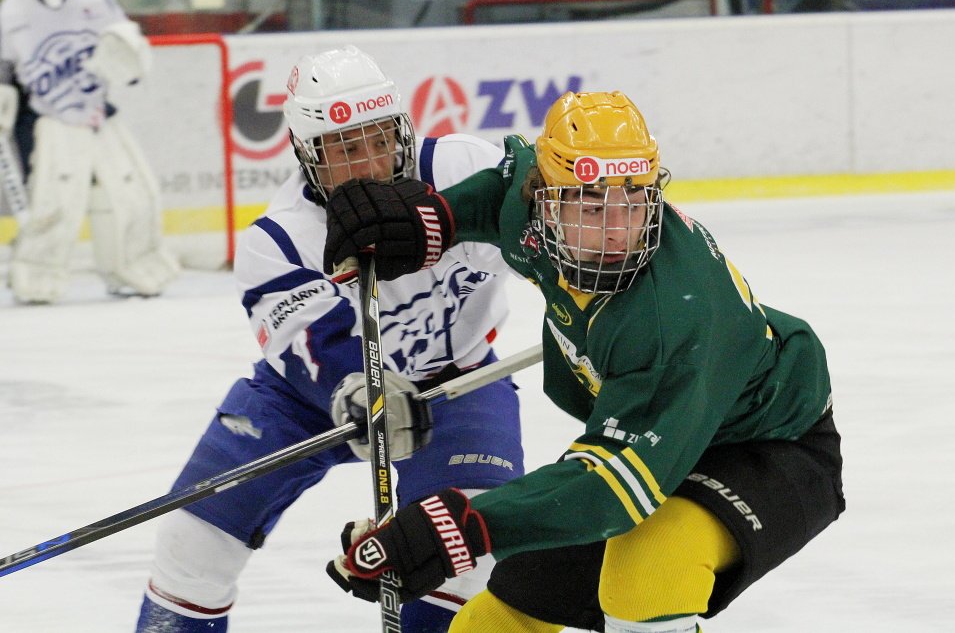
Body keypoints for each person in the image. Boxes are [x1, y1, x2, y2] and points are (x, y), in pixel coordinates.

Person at [321, 91, 846, 632]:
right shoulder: (532, 210)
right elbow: (501, 190)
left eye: (635, 204)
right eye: (593, 208)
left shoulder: (670, 317)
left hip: (766, 446)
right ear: (545, 203)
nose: (617, 231)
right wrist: (433, 219)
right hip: (660, 428)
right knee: (504, 610)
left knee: (646, 571)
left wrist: (459, 527)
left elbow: (613, 486)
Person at [133, 46, 524, 633]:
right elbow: (320, 347)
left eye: (380, 139)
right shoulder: (279, 240)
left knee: (463, 553)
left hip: (456, 383)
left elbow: (549, 226)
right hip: (307, 402)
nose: (369, 163)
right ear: (307, 154)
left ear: (402, 130)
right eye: (344, 148)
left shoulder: (466, 168)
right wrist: (358, 389)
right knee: (192, 542)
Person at [0, 0, 179, 303]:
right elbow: (4, 63)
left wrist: (131, 57)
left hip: (99, 114)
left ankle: (135, 269)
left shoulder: (94, 0)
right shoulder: (12, 10)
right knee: (54, 202)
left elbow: (126, 46)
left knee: (136, 194)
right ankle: (35, 277)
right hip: (51, 120)